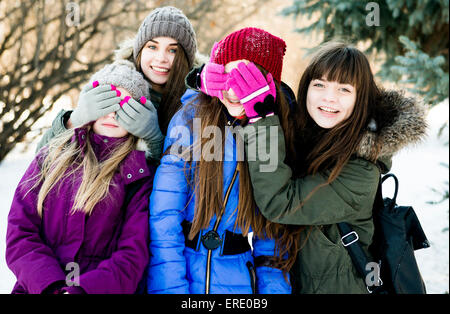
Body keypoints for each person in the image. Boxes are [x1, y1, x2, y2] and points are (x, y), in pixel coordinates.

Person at [236, 41, 428, 293]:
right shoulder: (309, 143)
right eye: (319, 84)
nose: (329, 97)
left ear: (361, 99)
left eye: (344, 89)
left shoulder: (361, 173)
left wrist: (262, 119)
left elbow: (279, 202)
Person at [147, 27, 301, 294]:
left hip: (238, 281)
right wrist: (170, 289)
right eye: (226, 73)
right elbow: (164, 216)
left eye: (246, 76)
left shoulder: (278, 134)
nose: (233, 88)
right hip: (181, 269)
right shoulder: (190, 119)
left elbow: (273, 242)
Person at [6, 60, 156, 294]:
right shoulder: (51, 156)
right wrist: (51, 286)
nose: (112, 113)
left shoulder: (138, 175)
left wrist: (82, 290)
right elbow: (20, 231)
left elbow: (132, 255)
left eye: (125, 106)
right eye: (105, 101)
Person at [36, 6, 201, 161]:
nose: (161, 58)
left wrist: (155, 139)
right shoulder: (115, 83)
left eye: (173, 50)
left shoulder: (197, 103)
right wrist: (74, 120)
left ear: (185, 59)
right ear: (140, 50)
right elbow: (41, 159)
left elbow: (187, 176)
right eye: (152, 46)